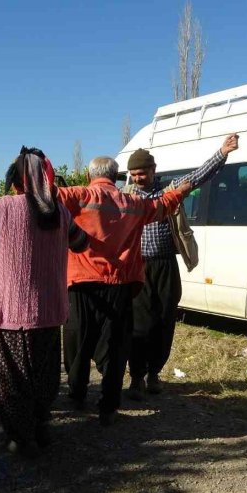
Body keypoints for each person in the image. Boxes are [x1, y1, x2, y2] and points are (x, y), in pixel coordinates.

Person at [0, 147, 88, 458]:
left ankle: (19, 438)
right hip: (48, 312)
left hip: (8, 311)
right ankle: (40, 426)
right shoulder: (59, 213)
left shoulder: (1, 208)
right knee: (44, 375)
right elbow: (82, 242)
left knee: (9, 377)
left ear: (14, 182)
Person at [55, 155, 193, 426]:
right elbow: (162, 206)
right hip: (119, 285)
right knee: (115, 345)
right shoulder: (132, 203)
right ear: (117, 176)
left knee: (78, 341)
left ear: (88, 176)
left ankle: (77, 394)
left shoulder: (77, 195)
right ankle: (108, 405)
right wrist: (180, 191)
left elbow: (44, 198)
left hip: (82, 283)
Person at [125, 134, 239, 400]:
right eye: (133, 174)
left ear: (153, 171)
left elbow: (198, 176)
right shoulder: (125, 197)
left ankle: (154, 374)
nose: (138, 178)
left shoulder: (169, 190)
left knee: (164, 321)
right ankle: (136, 378)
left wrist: (222, 153)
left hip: (166, 266)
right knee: (139, 325)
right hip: (137, 269)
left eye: (142, 173)